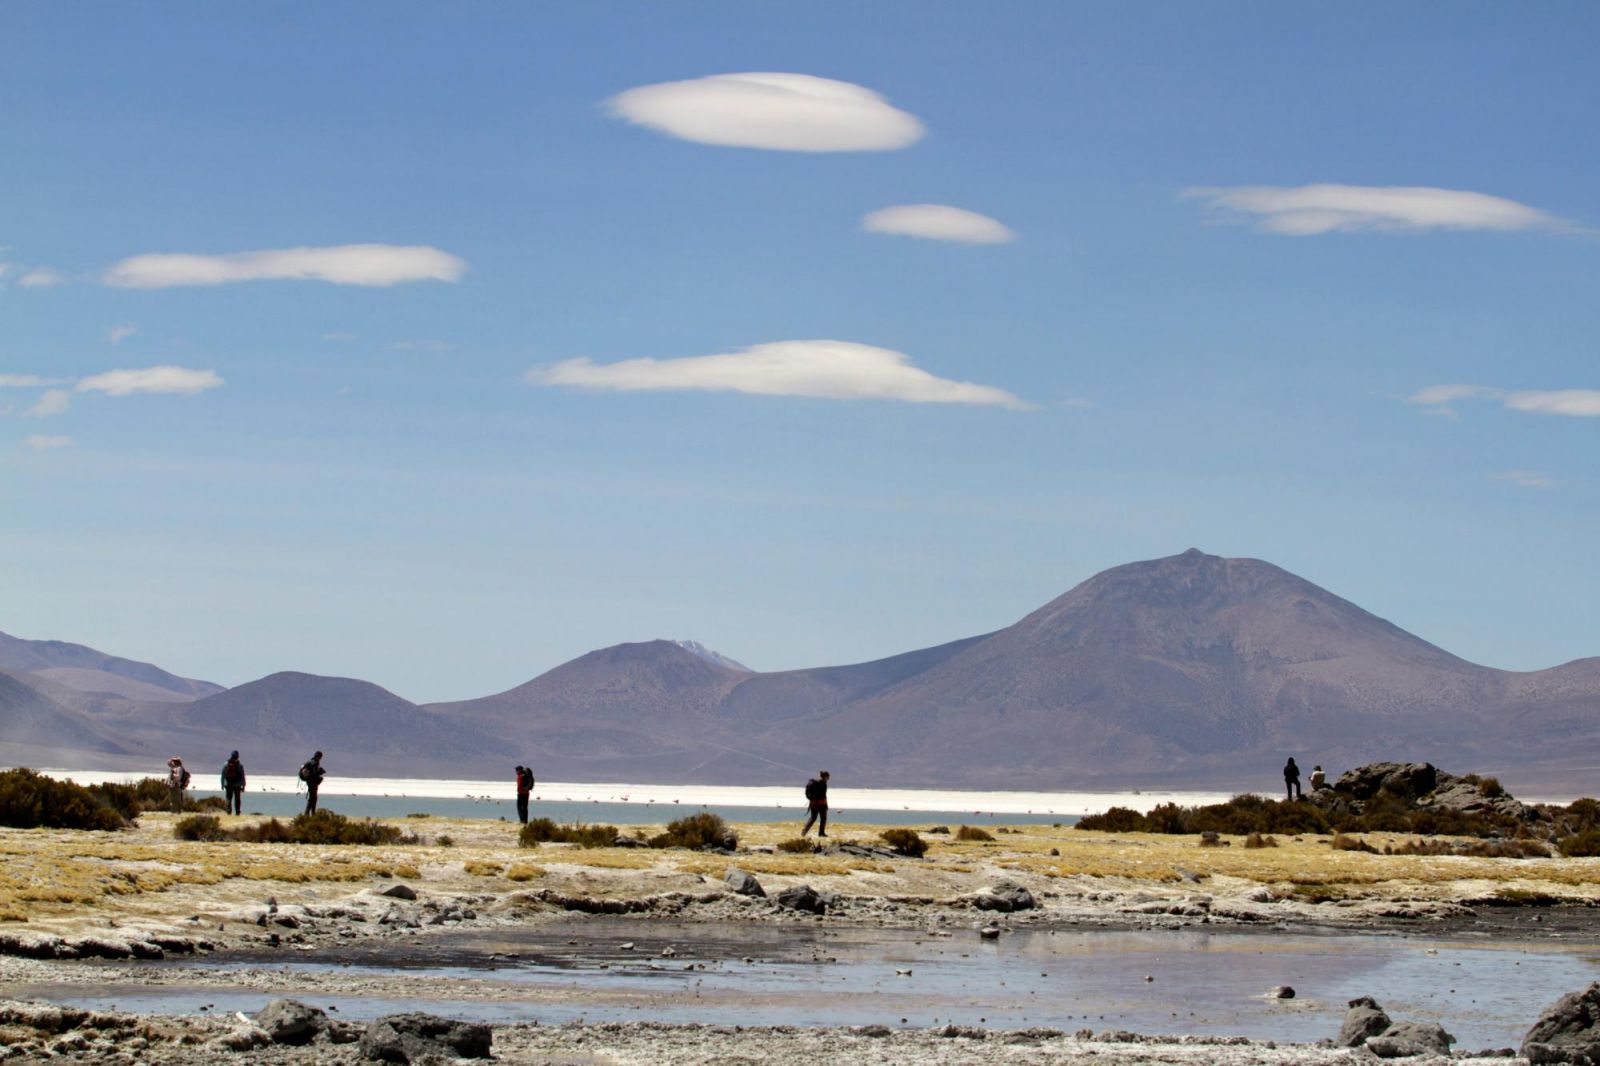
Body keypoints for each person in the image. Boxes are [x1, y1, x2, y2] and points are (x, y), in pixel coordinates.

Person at [801, 771, 830, 837]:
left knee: (813, 818)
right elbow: (823, 795)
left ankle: (804, 832)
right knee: (823, 818)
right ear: (825, 776)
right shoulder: (823, 783)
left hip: (813, 803)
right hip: (822, 804)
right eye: (828, 777)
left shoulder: (813, 782)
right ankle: (821, 833)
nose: (828, 779)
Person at [220, 750, 246, 815]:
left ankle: (229, 811)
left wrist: (222, 784)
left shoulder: (226, 764)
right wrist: (243, 786)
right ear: (237, 757)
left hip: (228, 784)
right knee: (237, 799)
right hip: (237, 785)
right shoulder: (240, 765)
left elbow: (223, 775)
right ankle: (237, 812)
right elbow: (242, 776)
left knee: (228, 798)